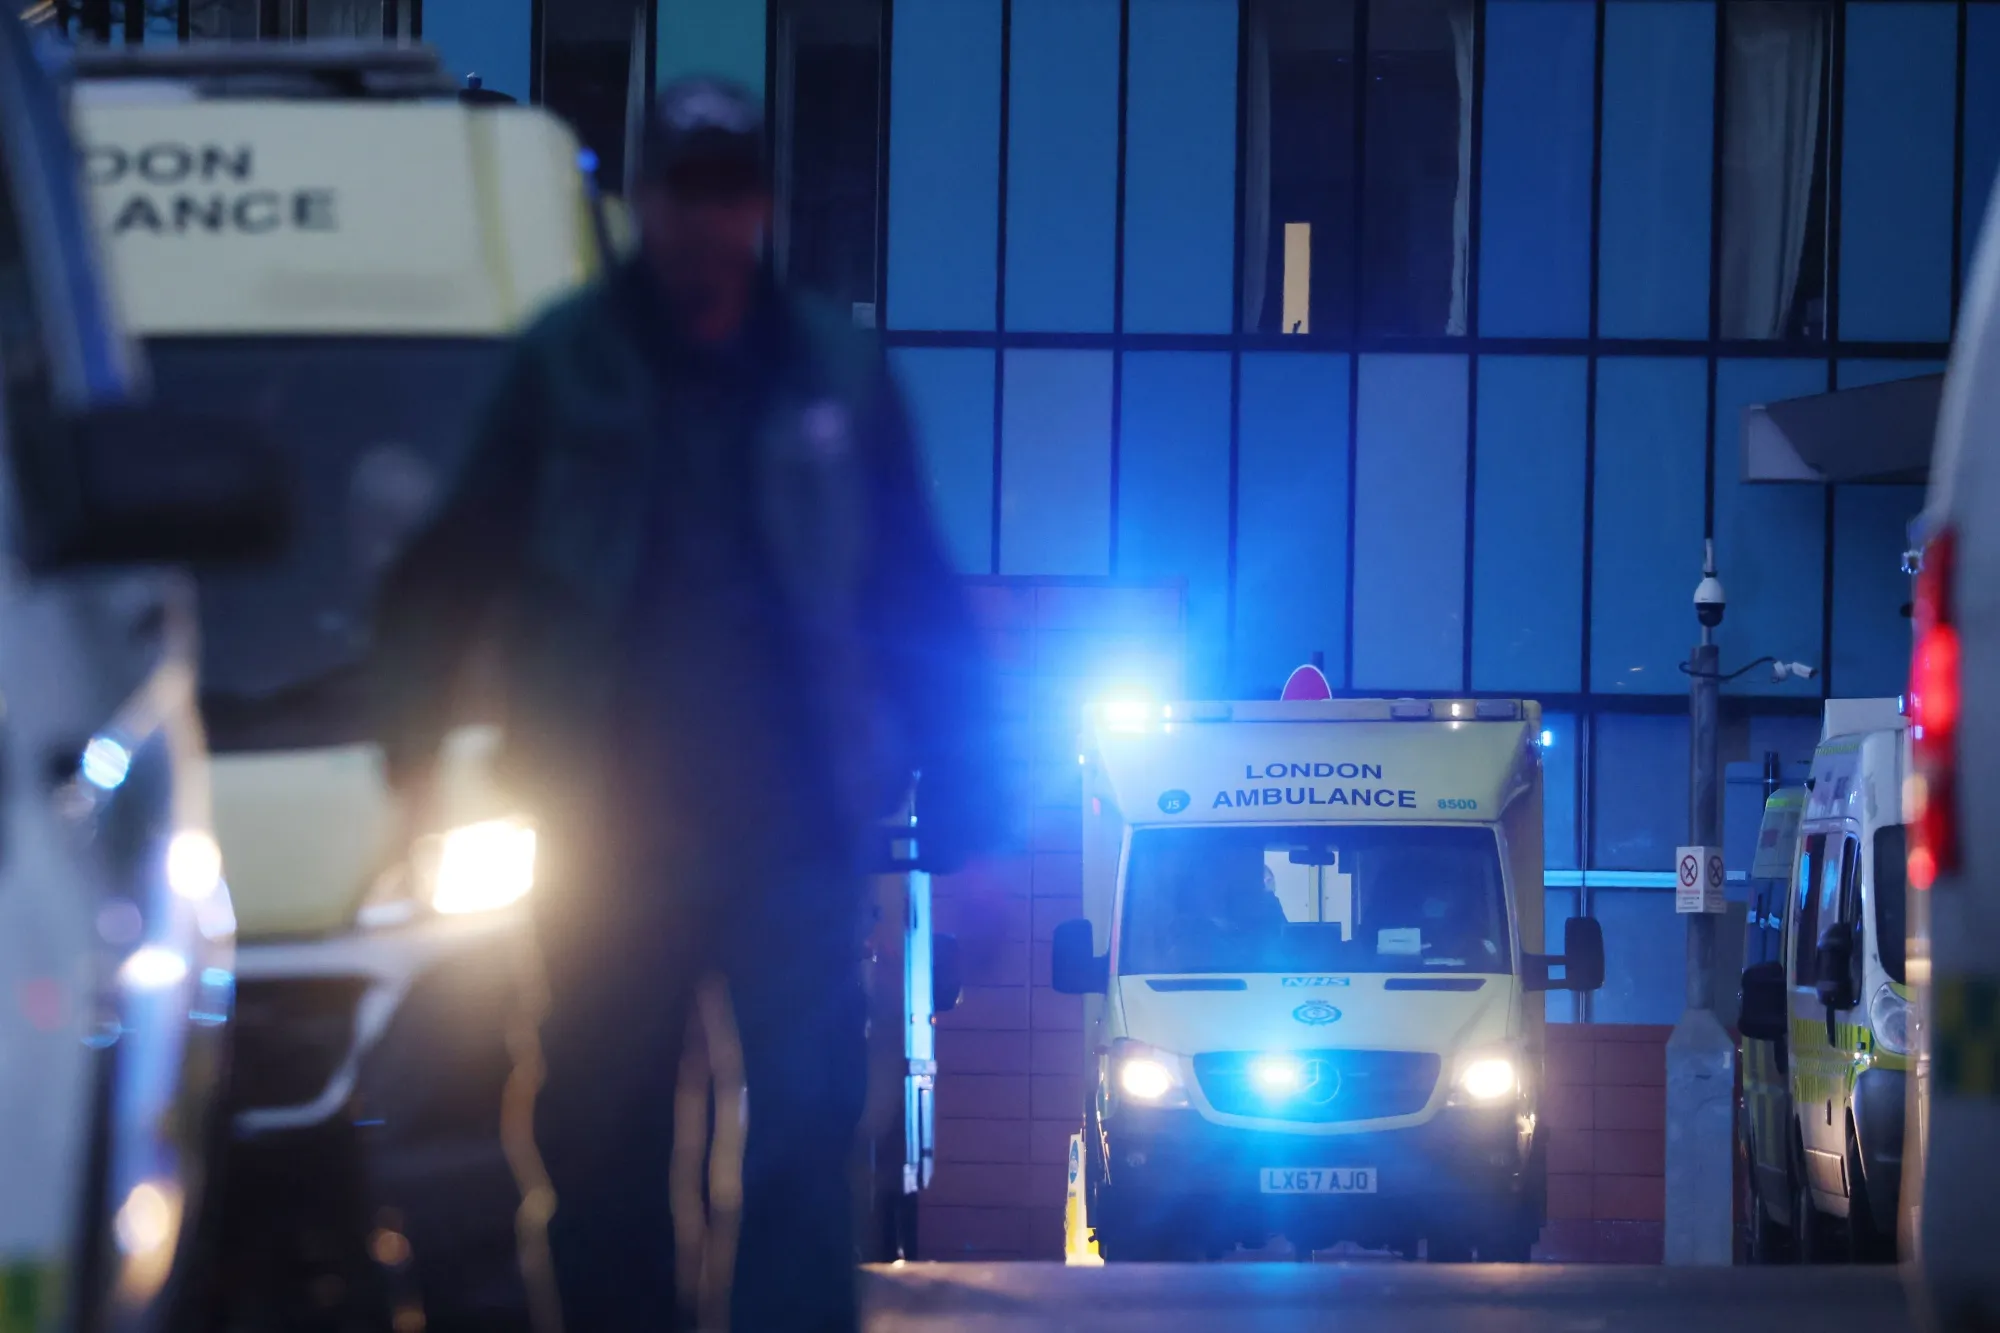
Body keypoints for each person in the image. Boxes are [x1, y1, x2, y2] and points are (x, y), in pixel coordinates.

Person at [368, 76, 1003, 1333]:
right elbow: (447, 569)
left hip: (797, 829)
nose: (701, 222)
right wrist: (413, 761)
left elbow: (918, 597)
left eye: (726, 192)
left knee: (805, 1130)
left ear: (759, 204)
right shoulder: (565, 363)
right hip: (608, 828)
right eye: (679, 191)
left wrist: (973, 834)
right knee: (596, 1134)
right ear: (641, 201)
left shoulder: (833, 369)